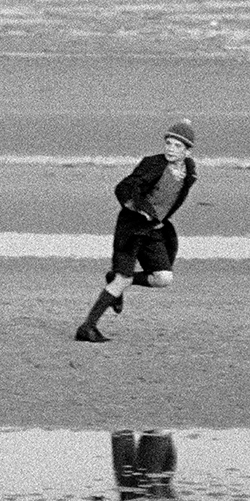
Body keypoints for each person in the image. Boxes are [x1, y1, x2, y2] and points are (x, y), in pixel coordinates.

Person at [76, 121, 198, 343]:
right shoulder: (152, 164)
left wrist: (158, 219)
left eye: (177, 146)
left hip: (155, 230)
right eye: (168, 143)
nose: (170, 149)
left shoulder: (189, 172)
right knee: (122, 278)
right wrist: (142, 210)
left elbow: (172, 199)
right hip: (131, 229)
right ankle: (87, 327)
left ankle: (118, 280)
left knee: (163, 278)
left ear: (187, 151)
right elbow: (123, 188)